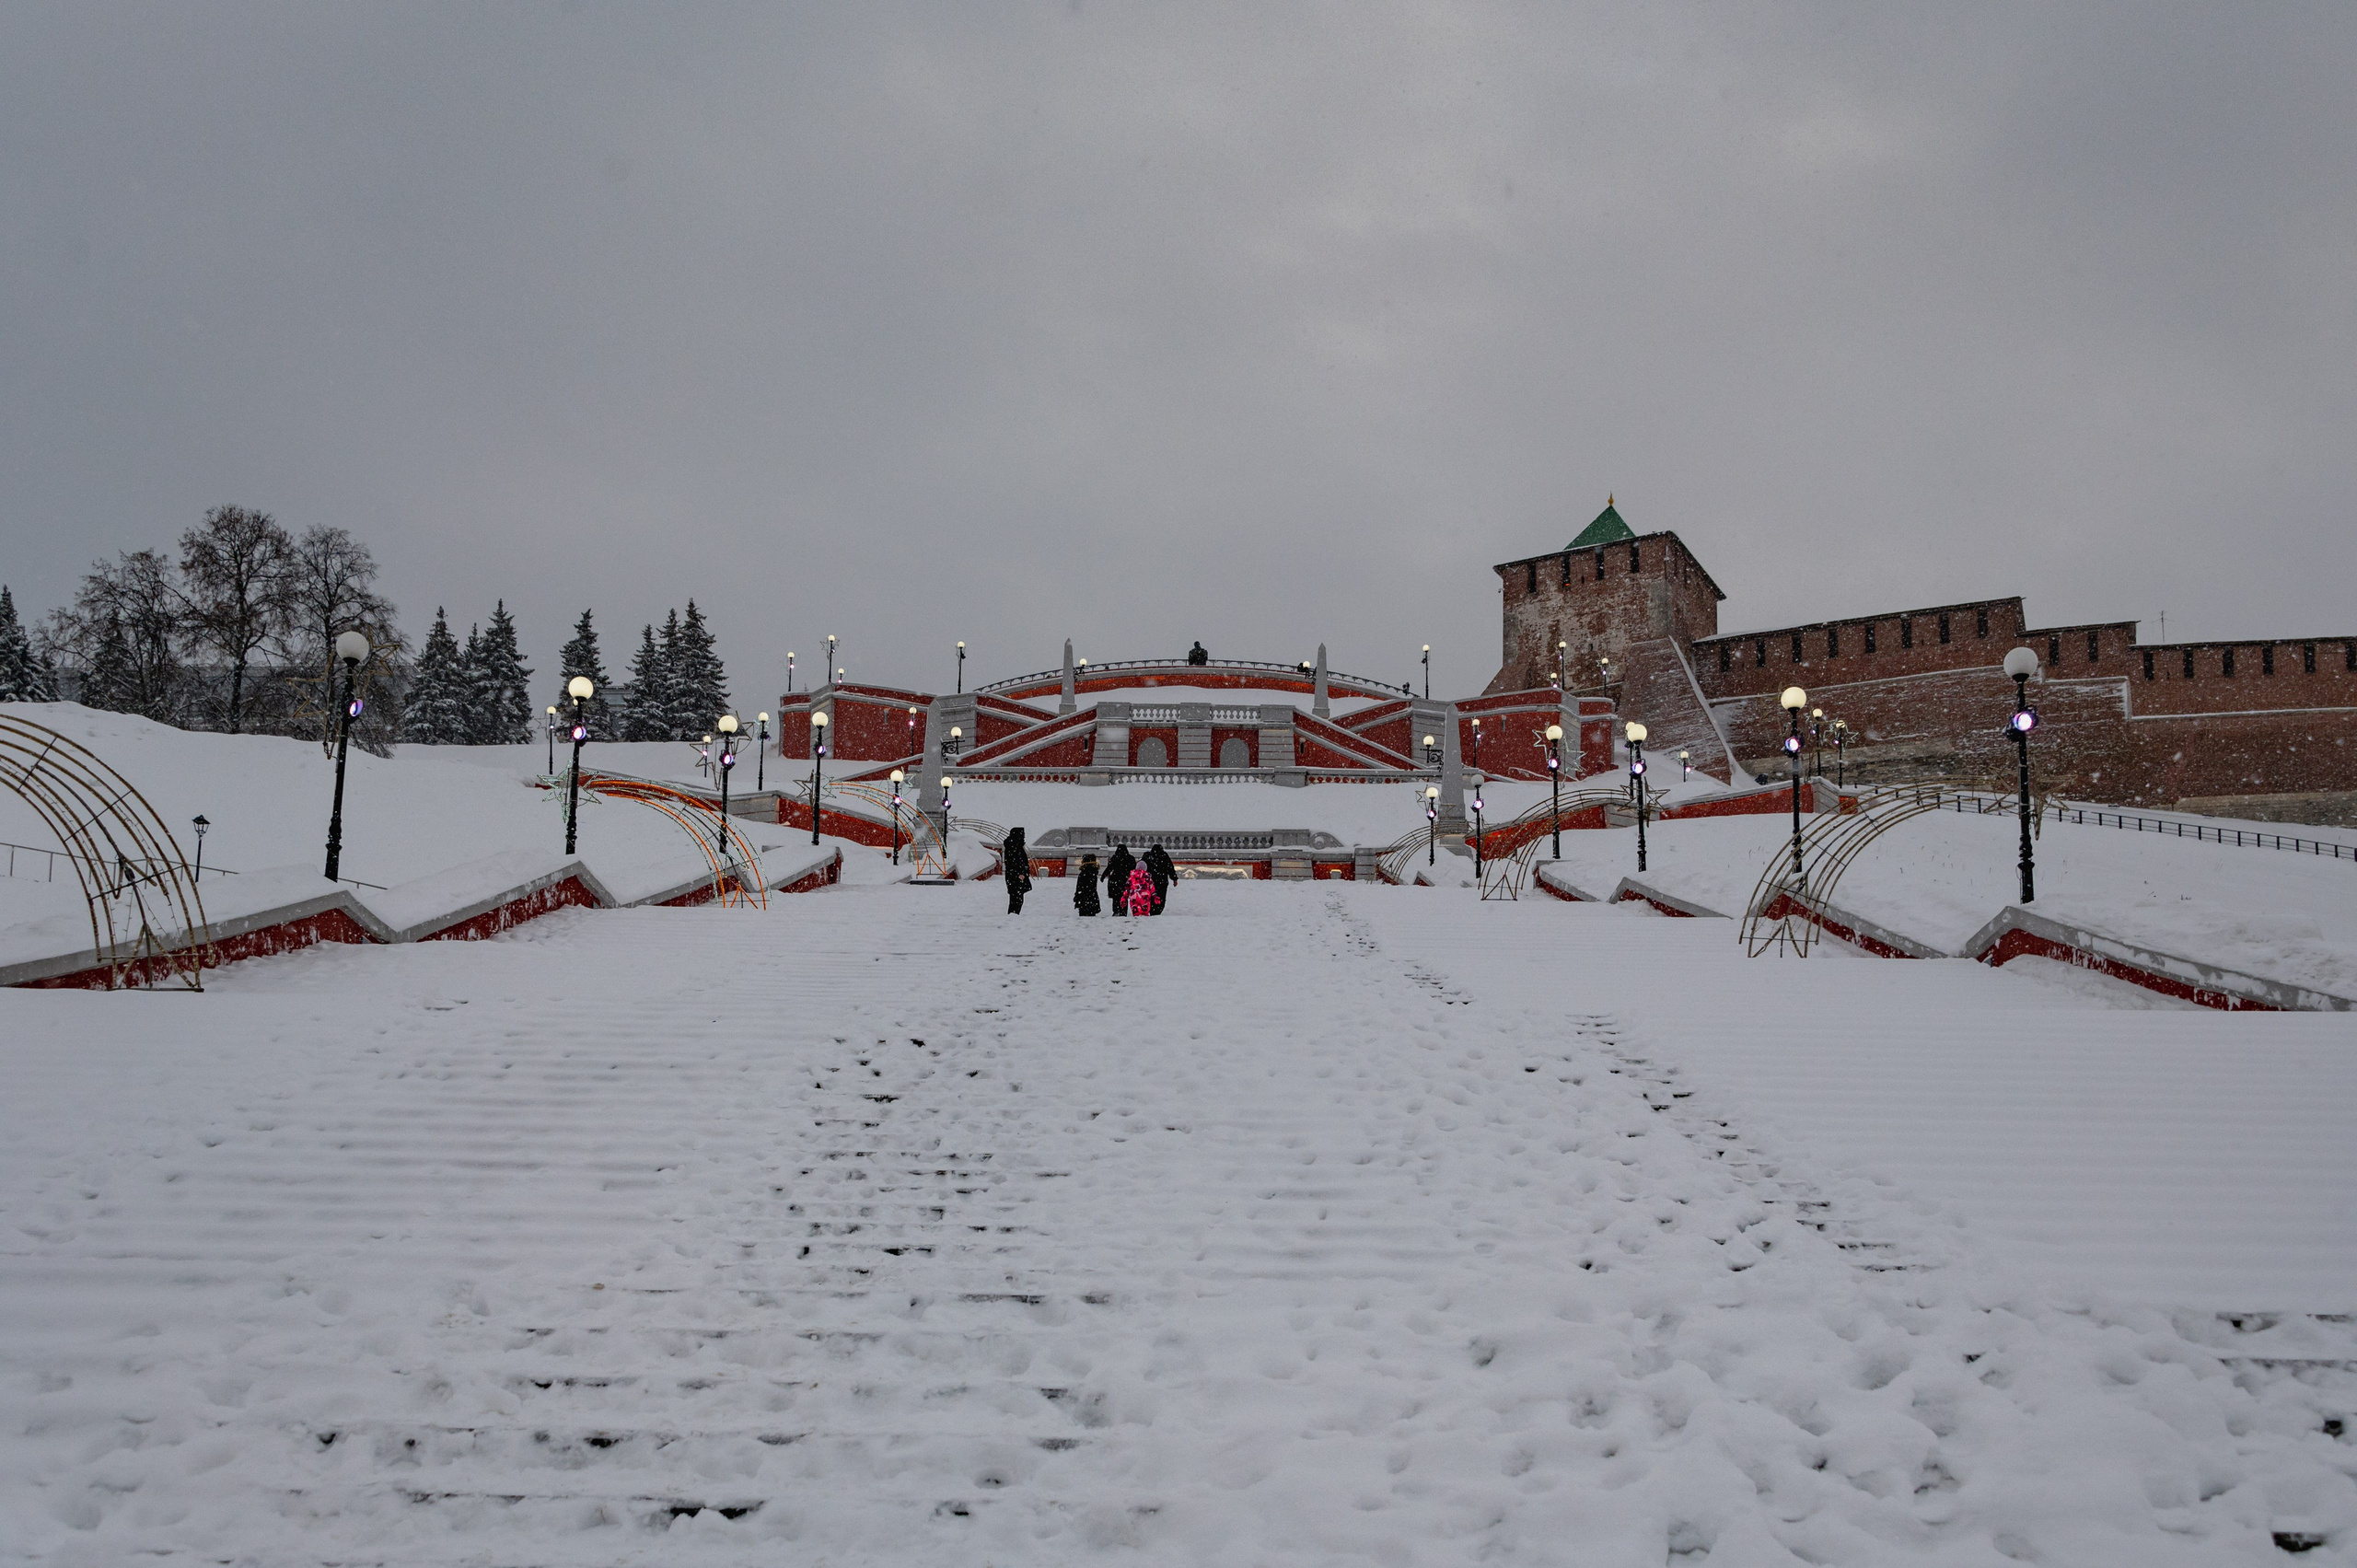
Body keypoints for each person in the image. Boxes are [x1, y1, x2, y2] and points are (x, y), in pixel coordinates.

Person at [1002, 828, 1032, 914]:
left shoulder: (1015, 845)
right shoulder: (1013, 846)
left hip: (1015, 876)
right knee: (1016, 900)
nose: (1024, 837)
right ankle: (1013, 916)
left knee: (1017, 899)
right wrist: (1020, 874)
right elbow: (1013, 863)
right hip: (1016, 877)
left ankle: (1013, 916)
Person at [1104, 844, 1136, 916]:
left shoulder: (1115, 858)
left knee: (1116, 897)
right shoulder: (1130, 858)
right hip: (1126, 880)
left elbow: (1109, 868)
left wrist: (1104, 875)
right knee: (1124, 896)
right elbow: (1133, 869)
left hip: (1115, 879)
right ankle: (1123, 911)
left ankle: (1116, 910)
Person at [1144, 843, 1174, 914]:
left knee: (1150, 896)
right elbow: (1170, 868)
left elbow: (1142, 867)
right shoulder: (1164, 856)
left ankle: (1151, 909)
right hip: (1162, 881)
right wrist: (1174, 878)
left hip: (1150, 881)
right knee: (1161, 896)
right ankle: (1158, 909)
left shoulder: (1148, 856)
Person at [1074, 852, 1101, 916]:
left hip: (1083, 898)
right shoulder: (1094, 871)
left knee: (1083, 916)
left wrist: (1077, 896)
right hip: (1092, 897)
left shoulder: (1084, 872)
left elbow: (1079, 886)